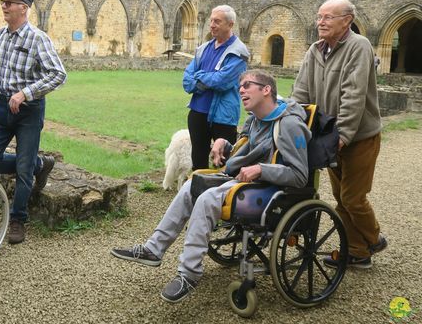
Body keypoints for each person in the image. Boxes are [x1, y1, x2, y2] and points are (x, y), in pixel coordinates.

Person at [111, 70, 310, 304]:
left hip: (271, 191)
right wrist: (225, 144)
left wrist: (261, 169)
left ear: (266, 90)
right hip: (245, 181)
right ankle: (153, 248)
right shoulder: (255, 119)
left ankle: (189, 273)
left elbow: (300, 175)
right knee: (190, 186)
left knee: (207, 199)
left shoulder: (289, 125)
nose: (241, 90)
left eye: (247, 85)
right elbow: (245, 147)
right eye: (240, 87)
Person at [292, 0, 387, 269]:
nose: (320, 22)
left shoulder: (359, 46)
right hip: (328, 136)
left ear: (347, 20)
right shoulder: (314, 50)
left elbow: (354, 94)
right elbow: (301, 91)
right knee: (340, 198)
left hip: (359, 137)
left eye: (328, 17)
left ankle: (374, 237)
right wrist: (290, 121)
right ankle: (358, 252)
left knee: (352, 198)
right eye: (319, 17)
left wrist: (343, 135)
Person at [0, 0, 66, 244]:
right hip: (2, 106)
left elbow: (58, 74)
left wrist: (26, 93)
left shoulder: (38, 38)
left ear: (24, 8)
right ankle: (40, 165)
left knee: (22, 170)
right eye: (3, 2)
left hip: (29, 111)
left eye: (9, 3)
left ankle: (18, 219)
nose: (4, 6)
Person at [182, 5, 249, 170]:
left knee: (225, 163)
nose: (212, 25)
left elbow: (222, 81)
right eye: (211, 20)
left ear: (230, 24)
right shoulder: (203, 49)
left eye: (217, 21)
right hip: (198, 112)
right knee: (198, 159)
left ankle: (222, 194)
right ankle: (197, 193)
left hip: (223, 116)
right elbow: (186, 80)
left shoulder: (239, 52)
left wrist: (199, 75)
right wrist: (205, 79)